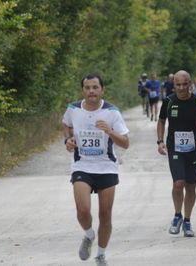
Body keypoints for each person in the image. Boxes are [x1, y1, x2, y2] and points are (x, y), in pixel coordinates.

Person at [63, 73, 130, 266]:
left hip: (106, 167)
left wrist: (109, 131)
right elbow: (66, 125)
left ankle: (100, 255)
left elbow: (125, 143)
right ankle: (89, 235)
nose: (91, 91)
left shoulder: (112, 112)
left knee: (105, 214)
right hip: (82, 165)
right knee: (83, 210)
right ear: (82, 90)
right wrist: (68, 140)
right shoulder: (73, 109)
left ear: (102, 90)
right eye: (88, 88)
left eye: (95, 88)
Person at [157, 70, 196, 237]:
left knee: (191, 185)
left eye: (184, 84)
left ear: (190, 84)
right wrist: (160, 141)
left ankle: (187, 221)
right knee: (178, 184)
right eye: (178, 84)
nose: (181, 88)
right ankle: (177, 215)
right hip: (175, 148)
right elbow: (161, 121)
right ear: (174, 85)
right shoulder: (169, 101)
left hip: (194, 149)